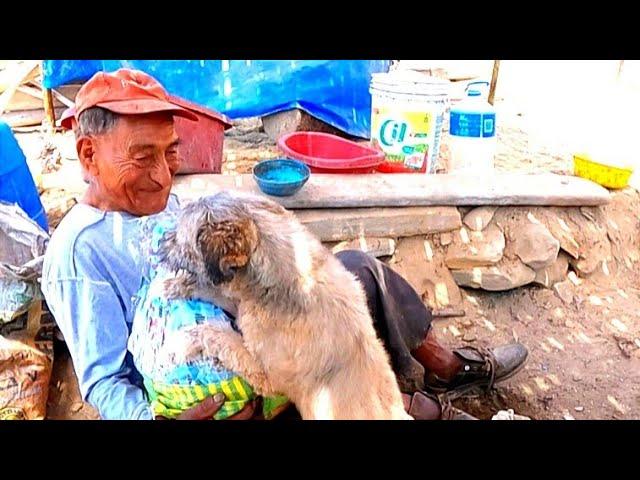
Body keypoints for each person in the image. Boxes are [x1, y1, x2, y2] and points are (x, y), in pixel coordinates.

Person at [41, 68, 528, 420]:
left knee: (353, 273)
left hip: (255, 340)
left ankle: (440, 367)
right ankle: (403, 407)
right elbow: (105, 381)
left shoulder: (165, 206)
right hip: (212, 388)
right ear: (88, 154)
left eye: (171, 154)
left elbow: (227, 280)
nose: (164, 175)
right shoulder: (79, 252)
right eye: (143, 156)